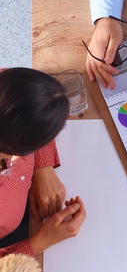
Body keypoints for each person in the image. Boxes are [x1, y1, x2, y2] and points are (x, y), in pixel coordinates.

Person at [0, 68, 85, 258]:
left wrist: (43, 168)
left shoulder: (6, 88)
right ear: (18, 154)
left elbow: (28, 97)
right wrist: (41, 241)